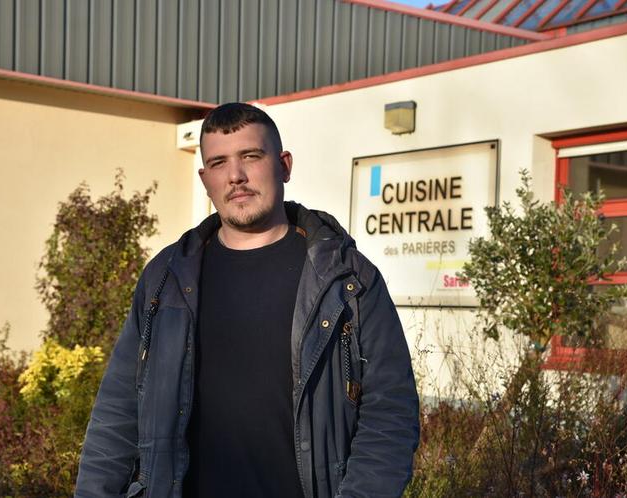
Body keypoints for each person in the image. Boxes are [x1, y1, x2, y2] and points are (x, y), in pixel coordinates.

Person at [75, 103, 420, 498]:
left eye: (251, 156)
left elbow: (390, 412)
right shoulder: (166, 279)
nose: (236, 175)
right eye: (219, 163)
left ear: (284, 165)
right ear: (206, 179)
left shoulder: (347, 279)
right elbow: (117, 413)